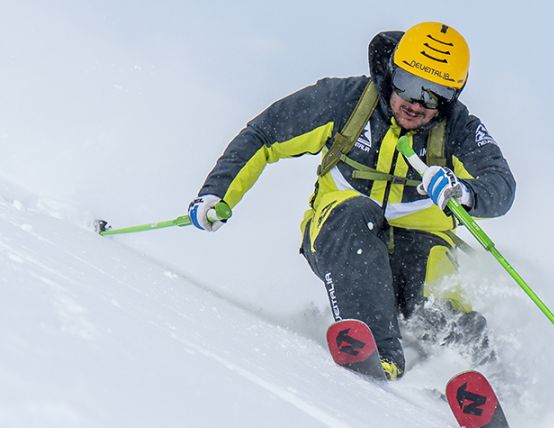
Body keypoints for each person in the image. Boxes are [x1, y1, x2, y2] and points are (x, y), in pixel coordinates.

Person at [188, 22, 516, 381]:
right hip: (341, 229)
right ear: (392, 72)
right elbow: (264, 135)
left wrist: (463, 192)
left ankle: (493, 384)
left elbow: (501, 185)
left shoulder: (460, 130)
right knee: (355, 214)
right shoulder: (346, 100)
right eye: (408, 84)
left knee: (440, 296)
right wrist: (217, 193)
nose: (416, 103)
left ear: (451, 97)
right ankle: (380, 352)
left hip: (421, 245)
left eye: (434, 94)